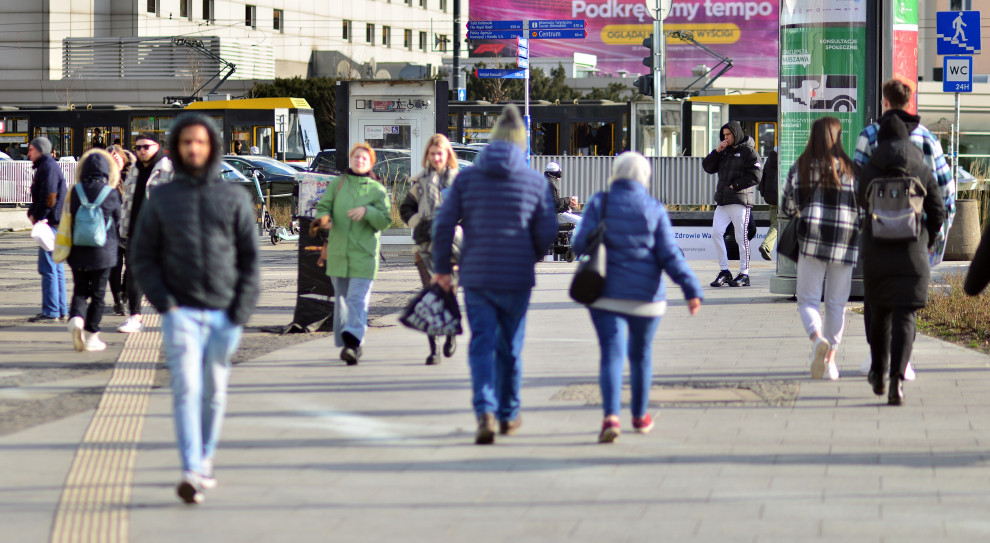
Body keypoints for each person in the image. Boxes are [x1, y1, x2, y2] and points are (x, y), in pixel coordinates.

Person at [130, 114, 260, 504]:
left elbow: (250, 261)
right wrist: (165, 304)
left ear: (211, 147)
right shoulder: (162, 198)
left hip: (225, 314)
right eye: (186, 141)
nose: (193, 147)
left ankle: (204, 459)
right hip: (180, 312)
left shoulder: (234, 198)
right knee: (186, 389)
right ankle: (190, 469)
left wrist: (240, 311)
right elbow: (142, 256)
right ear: (177, 147)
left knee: (214, 391)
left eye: (200, 141)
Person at [431, 104, 558, 445]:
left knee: (482, 343)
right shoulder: (535, 181)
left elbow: (443, 224)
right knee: (510, 347)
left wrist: (441, 269)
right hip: (517, 278)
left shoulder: (467, 179)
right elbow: (547, 230)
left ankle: (484, 410)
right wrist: (530, 255)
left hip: (477, 276)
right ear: (520, 143)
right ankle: (508, 413)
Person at [573, 152, 703, 443]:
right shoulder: (653, 208)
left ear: (616, 173)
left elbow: (578, 243)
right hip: (647, 298)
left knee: (611, 353)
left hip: (604, 295)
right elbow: (670, 255)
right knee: (641, 355)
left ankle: (611, 417)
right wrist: (691, 289)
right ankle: (640, 416)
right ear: (645, 176)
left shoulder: (599, 202)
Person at [854, 77, 955, 381]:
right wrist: (934, 238)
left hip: (876, 234)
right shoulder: (928, 139)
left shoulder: (869, 136)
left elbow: (857, 188)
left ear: (885, 102)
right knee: (907, 301)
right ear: (909, 102)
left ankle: (877, 359)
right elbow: (945, 192)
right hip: (915, 236)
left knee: (876, 298)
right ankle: (903, 363)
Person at [779, 118, 862, 381]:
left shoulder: (801, 166)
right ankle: (830, 363)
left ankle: (817, 339)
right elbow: (863, 209)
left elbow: (786, 206)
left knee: (808, 300)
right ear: (838, 138)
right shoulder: (851, 169)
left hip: (811, 241)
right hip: (845, 243)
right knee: (837, 304)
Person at [308, 143, 392, 365]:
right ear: (350, 160)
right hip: (338, 254)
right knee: (342, 302)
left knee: (357, 299)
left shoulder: (376, 189)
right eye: (356, 157)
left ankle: (353, 342)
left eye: (364, 158)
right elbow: (323, 207)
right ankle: (349, 342)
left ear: (370, 162)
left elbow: (385, 220)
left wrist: (367, 211)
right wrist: (323, 219)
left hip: (364, 256)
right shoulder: (337, 184)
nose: (359, 161)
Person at [400, 134, 460, 365]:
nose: (436, 158)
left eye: (440, 154)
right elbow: (406, 207)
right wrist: (418, 222)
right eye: (432, 154)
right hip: (425, 247)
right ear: (428, 155)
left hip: (451, 249)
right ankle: (433, 349)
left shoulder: (458, 182)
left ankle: (451, 332)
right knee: (431, 295)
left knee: (448, 294)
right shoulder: (420, 182)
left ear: (447, 155)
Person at [65, 149, 121, 352]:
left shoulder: (75, 191)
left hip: (78, 250)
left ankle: (76, 319)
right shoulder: (110, 192)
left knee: (80, 290)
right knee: (98, 294)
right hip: (103, 253)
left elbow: (68, 215)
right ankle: (92, 336)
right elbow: (118, 220)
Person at [118, 132, 173, 333]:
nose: (141, 150)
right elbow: (127, 202)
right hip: (134, 231)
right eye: (138, 147)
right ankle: (135, 317)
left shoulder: (168, 169)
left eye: (146, 147)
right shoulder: (134, 169)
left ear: (157, 146)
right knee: (133, 274)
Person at [702, 121, 762, 288]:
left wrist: (735, 185)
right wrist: (717, 151)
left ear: (736, 134)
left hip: (740, 200)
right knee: (716, 233)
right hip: (723, 201)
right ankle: (724, 271)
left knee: (741, 238)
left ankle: (744, 274)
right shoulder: (724, 151)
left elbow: (756, 175)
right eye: (724, 135)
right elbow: (708, 167)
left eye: (728, 134)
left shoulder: (749, 151)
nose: (726, 138)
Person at [26, 137, 68, 322]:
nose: (28, 153)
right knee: (56, 267)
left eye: (31, 149)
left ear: (40, 150)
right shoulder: (48, 165)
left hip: (50, 223)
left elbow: (49, 196)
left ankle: (51, 311)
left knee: (48, 267)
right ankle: (60, 309)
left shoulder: (47, 167)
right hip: (55, 222)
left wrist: (37, 215)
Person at [107, 145, 134, 316]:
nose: (114, 159)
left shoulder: (133, 175)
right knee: (114, 267)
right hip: (112, 230)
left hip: (131, 228)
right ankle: (118, 300)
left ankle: (125, 292)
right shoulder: (106, 178)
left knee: (132, 267)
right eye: (110, 157)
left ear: (123, 157)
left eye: (116, 156)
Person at [757, 146, 779, 260]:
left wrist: (763, 193)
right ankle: (766, 246)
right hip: (785, 197)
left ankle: (767, 247)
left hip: (771, 197)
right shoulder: (788, 157)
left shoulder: (771, 157)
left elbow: (763, 176)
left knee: (775, 224)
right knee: (780, 225)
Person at [544, 162, 581, 226]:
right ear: (557, 173)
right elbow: (554, 203)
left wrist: (566, 207)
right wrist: (568, 200)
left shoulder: (546, 181)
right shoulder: (551, 183)